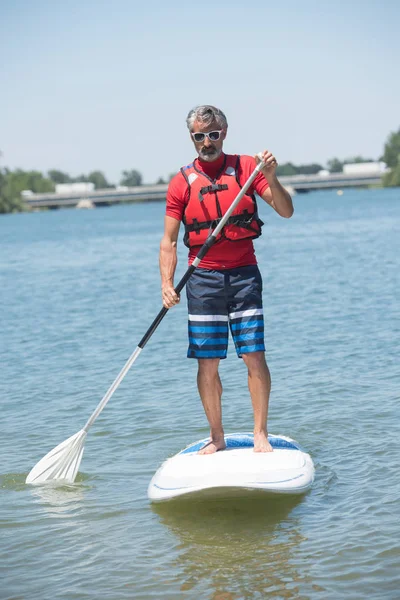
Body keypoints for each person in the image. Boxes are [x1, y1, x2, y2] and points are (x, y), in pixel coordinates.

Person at [159, 105, 293, 454]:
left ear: (225, 133)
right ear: (192, 138)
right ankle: (217, 437)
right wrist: (166, 283)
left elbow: (285, 210)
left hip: (244, 275)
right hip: (202, 278)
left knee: (254, 355)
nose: (207, 142)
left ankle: (260, 433)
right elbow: (169, 241)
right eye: (200, 136)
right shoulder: (180, 182)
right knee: (207, 361)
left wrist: (272, 176)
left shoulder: (248, 168)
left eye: (213, 134)